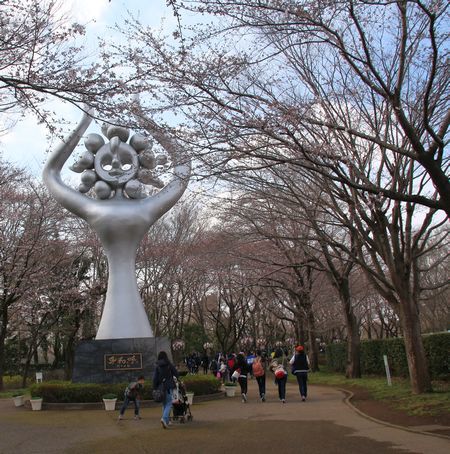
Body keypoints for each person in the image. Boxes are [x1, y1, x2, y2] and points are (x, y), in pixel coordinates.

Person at [153, 351, 179, 429]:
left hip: (160, 387)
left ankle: (166, 421)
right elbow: (176, 373)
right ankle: (164, 418)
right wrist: (175, 378)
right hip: (168, 386)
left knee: (164, 404)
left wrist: (154, 387)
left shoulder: (157, 366)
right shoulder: (169, 364)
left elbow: (155, 378)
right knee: (169, 404)